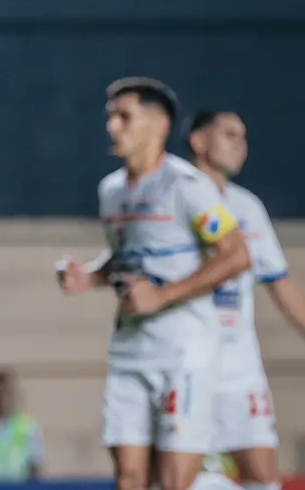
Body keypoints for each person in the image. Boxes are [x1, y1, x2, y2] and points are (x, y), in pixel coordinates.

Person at [56, 77, 251, 490]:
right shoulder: (111, 191)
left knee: (173, 479)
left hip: (184, 353)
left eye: (124, 117)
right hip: (130, 350)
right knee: (128, 477)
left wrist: (162, 296)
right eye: (110, 118)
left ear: (158, 125)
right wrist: (88, 276)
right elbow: (126, 257)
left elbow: (235, 254)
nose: (112, 127)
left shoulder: (188, 187)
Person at [186, 109, 305, 490]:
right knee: (183, 476)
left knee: (263, 475)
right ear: (199, 141)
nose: (241, 145)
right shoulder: (177, 195)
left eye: (244, 137)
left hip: (240, 366)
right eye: (229, 135)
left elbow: (279, 282)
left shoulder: (247, 207)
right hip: (188, 362)